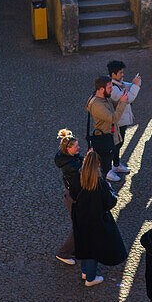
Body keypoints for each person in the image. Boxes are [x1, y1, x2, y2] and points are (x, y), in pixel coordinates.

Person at [69, 150, 127, 288]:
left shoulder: (78, 177)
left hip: (80, 216)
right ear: (98, 165)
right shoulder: (99, 184)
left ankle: (85, 271)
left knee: (83, 244)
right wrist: (110, 190)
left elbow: (72, 193)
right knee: (93, 249)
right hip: (95, 220)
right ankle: (90, 277)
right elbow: (110, 203)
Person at [86, 75, 128, 181]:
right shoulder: (97, 105)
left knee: (114, 150)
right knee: (106, 159)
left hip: (110, 134)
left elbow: (113, 105)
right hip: (105, 136)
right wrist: (122, 102)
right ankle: (107, 176)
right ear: (101, 89)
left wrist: (121, 100)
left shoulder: (104, 97)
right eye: (109, 88)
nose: (112, 89)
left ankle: (114, 167)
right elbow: (113, 118)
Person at [54, 128, 83, 266]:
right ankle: (63, 253)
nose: (78, 148)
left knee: (80, 224)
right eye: (76, 146)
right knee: (79, 226)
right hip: (73, 197)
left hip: (72, 194)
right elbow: (82, 170)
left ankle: (75, 249)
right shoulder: (70, 165)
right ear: (68, 149)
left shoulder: (69, 158)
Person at [108, 60, 141, 175]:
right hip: (117, 121)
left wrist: (134, 84)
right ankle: (110, 168)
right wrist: (136, 85)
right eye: (120, 73)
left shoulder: (117, 83)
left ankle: (116, 165)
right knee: (116, 144)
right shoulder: (112, 88)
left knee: (119, 143)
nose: (123, 75)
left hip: (121, 120)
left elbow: (127, 86)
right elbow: (128, 99)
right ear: (113, 74)